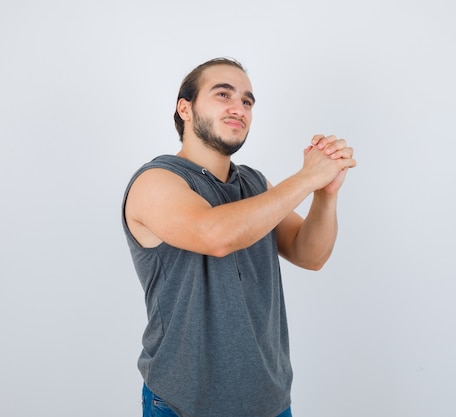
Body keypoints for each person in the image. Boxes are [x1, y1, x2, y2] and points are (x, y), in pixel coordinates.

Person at [122, 57, 357, 417]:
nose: (239, 108)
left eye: (247, 101)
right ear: (185, 108)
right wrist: (307, 177)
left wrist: (325, 193)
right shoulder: (156, 180)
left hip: (270, 402)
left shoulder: (254, 183)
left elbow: (310, 255)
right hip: (185, 405)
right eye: (223, 94)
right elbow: (216, 234)